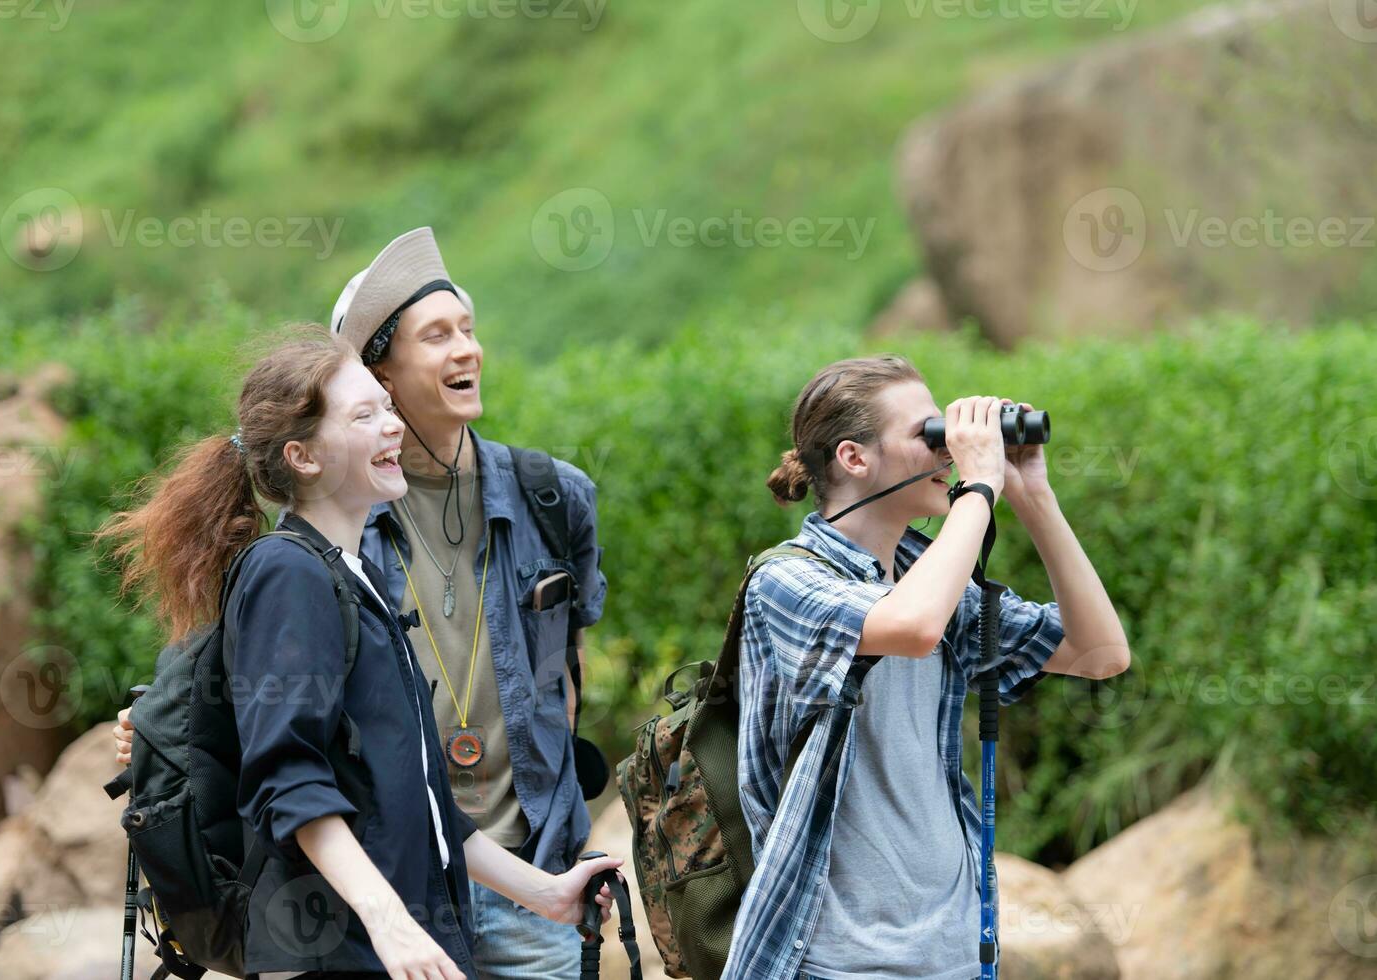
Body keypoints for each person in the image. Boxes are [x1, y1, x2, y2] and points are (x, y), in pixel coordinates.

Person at [116, 228, 608, 979]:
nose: (389, 429)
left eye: (385, 411)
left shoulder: (352, 578)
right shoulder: (291, 572)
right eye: (366, 415)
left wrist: (548, 891)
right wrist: (390, 926)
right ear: (304, 456)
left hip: (421, 924)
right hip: (358, 944)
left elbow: (423, 799)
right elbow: (290, 777)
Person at [723, 355, 1129, 980]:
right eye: (930, 435)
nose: (949, 452)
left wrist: (1031, 495)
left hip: (951, 953)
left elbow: (1101, 653)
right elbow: (911, 628)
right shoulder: (786, 582)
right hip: (834, 960)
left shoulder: (932, 579)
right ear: (855, 459)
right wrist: (978, 488)